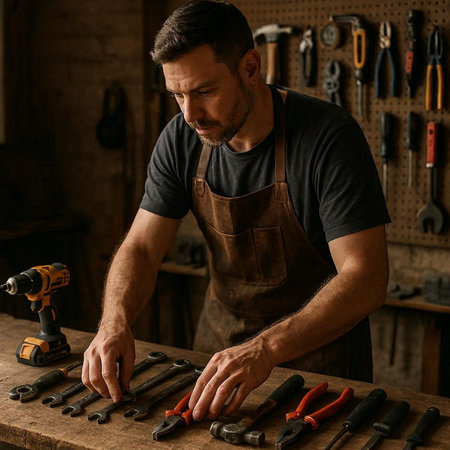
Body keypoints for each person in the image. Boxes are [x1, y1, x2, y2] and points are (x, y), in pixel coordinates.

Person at [82, 0, 390, 422]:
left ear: (249, 68)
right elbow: (140, 247)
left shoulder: (328, 138)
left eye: (204, 91)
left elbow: (366, 278)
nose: (190, 114)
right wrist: (113, 321)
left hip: (319, 373)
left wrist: (265, 350)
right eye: (177, 95)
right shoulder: (181, 139)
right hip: (218, 358)